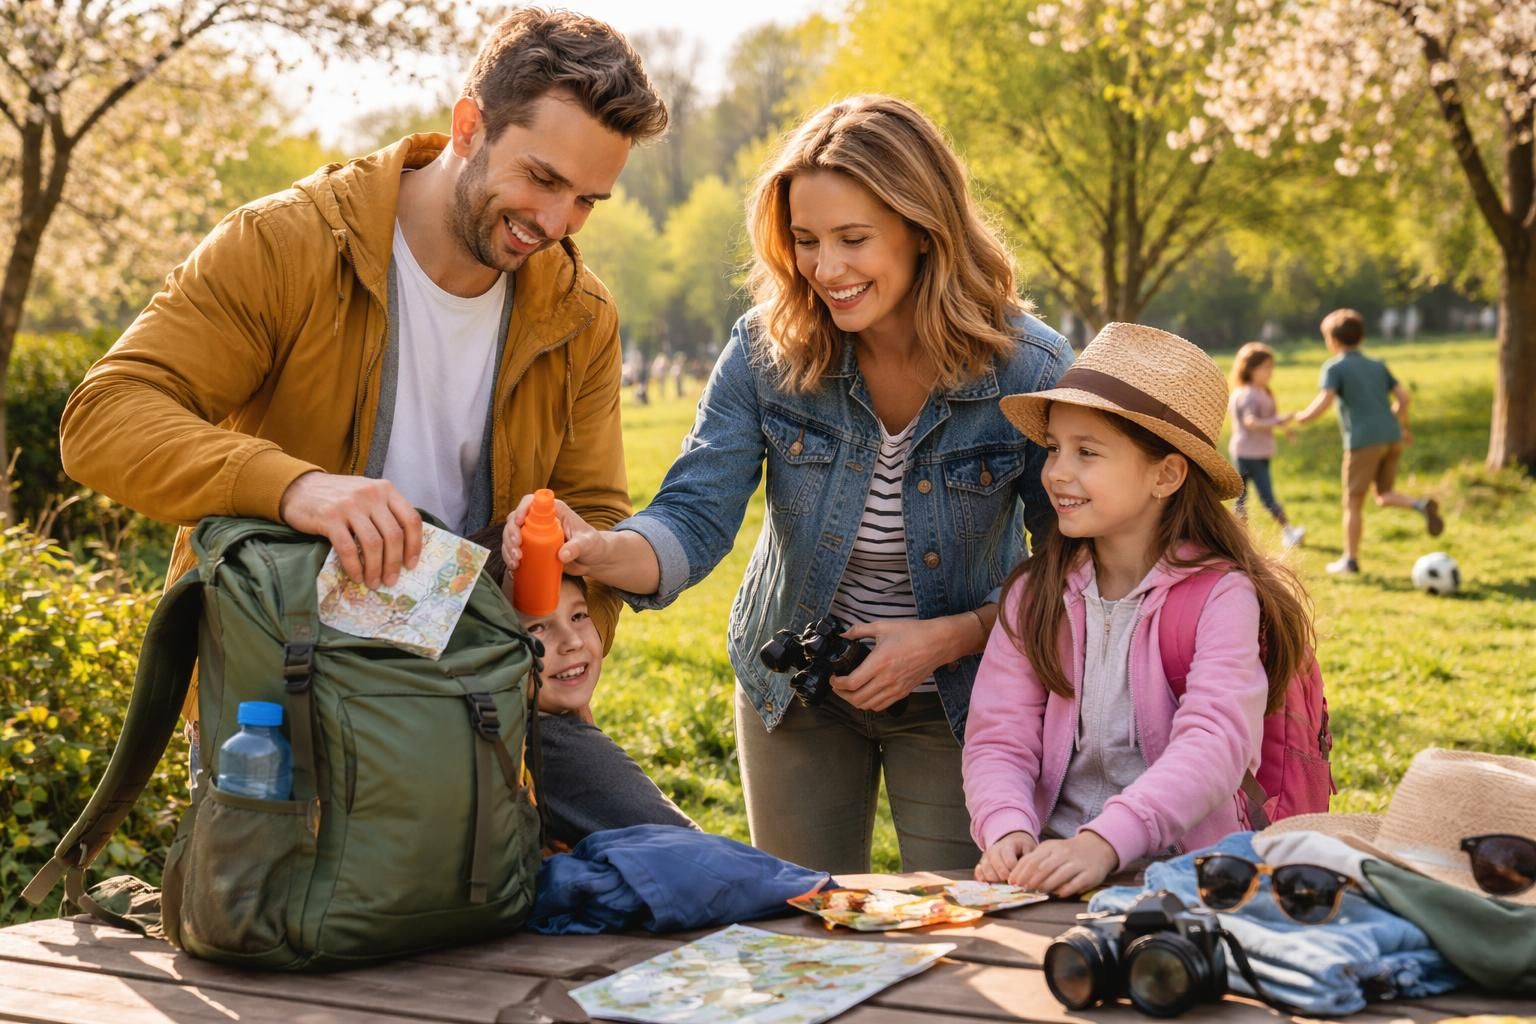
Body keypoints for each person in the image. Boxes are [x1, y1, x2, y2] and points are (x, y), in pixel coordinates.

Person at [57, 9, 668, 743]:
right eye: (541, 178)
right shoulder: (285, 244)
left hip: (481, 717)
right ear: (469, 126)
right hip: (280, 712)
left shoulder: (581, 311)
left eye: (586, 201)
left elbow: (594, 509)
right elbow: (103, 415)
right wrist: (294, 487)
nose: (556, 221)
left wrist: (557, 647)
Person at [503, 96, 1073, 874]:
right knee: (802, 928)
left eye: (853, 239)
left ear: (922, 228)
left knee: (959, 931)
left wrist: (948, 637)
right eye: (805, 241)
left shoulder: (1029, 371)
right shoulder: (766, 351)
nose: (825, 269)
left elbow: (1074, 564)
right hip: (795, 691)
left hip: (963, 696)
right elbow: (697, 515)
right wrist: (600, 548)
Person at [965, 323, 1315, 897]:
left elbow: (1214, 743)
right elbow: (999, 736)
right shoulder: (1035, 595)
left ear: (1167, 474)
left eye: (1087, 452)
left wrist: (1105, 843)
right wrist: (1005, 826)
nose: (1056, 472)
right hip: (1054, 877)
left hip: (1188, 883)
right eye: (1054, 449)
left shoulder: (1221, 597)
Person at [470, 525, 699, 849]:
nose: (572, 641)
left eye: (578, 615)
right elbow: (693, 853)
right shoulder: (561, 745)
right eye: (537, 628)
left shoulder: (474, 727)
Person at [1291, 308, 1442, 576]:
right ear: (1361, 337)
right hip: (1392, 437)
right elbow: (1404, 398)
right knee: (1383, 495)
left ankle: (1350, 561)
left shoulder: (1335, 367)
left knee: (1353, 501)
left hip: (1363, 441)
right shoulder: (1378, 364)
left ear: (1333, 341)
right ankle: (1420, 505)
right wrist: (1398, 423)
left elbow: (1325, 400)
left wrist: (1302, 417)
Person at [1227, 342, 1304, 548]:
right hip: (1248, 454)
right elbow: (1250, 422)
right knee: (1263, 496)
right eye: (1266, 367)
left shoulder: (1263, 391)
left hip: (1258, 452)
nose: (1271, 372)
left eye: (1272, 367)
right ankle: (1288, 531)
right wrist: (1278, 422)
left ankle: (1235, 538)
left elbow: (1267, 419)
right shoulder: (1248, 394)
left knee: (1242, 497)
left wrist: (1284, 429)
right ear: (1251, 369)